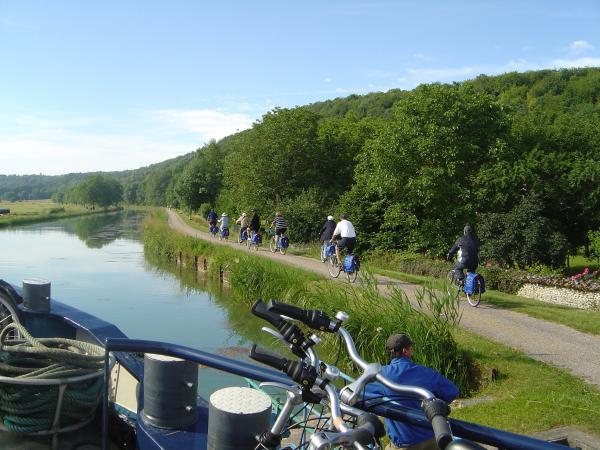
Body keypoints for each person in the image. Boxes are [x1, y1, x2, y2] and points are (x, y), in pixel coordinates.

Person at [366, 334, 459, 450]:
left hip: (404, 443)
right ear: (405, 351)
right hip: (432, 438)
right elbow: (452, 391)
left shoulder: (382, 375)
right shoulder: (426, 372)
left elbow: (361, 394)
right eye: (411, 348)